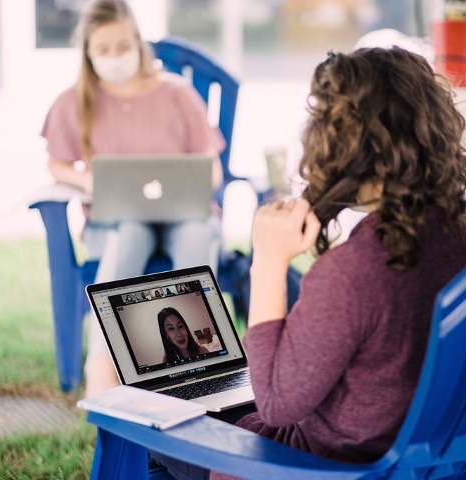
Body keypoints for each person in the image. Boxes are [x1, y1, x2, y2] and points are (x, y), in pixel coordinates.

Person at [149, 46, 466, 479]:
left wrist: (269, 261)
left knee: (148, 423)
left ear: (344, 145)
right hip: (418, 458)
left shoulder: (353, 273)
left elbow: (278, 405)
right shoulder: (453, 230)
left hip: (312, 466)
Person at [40, 0, 225, 397]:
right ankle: (103, 367)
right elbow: (56, 163)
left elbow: (212, 169)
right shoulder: (75, 100)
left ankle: (198, 371)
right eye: (103, 49)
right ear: (87, 51)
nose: (114, 57)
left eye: (122, 46)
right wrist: (89, 182)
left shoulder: (177, 94)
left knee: (196, 234)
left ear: (138, 43)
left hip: (184, 218)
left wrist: (195, 183)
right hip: (115, 224)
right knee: (130, 233)